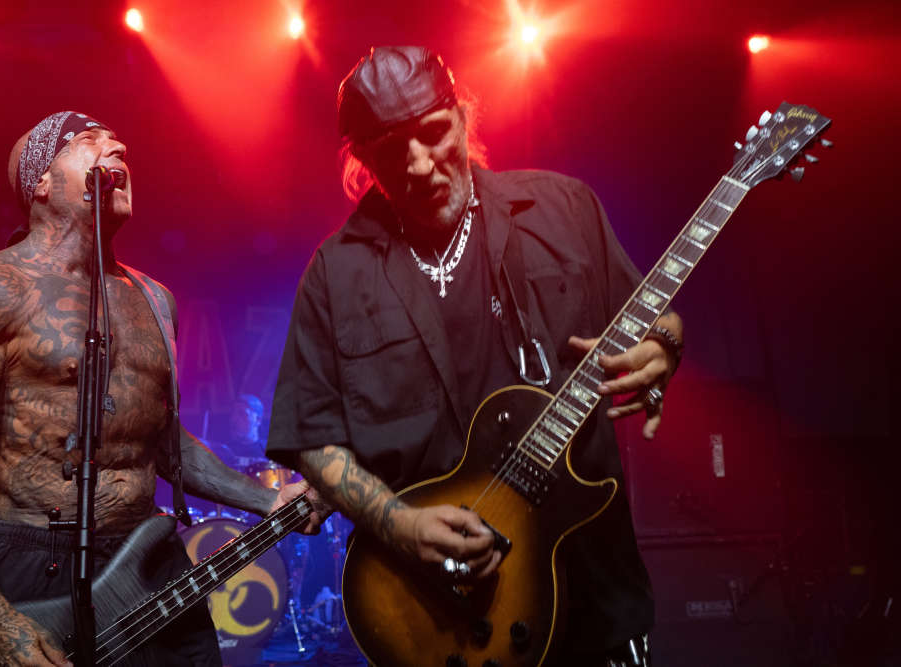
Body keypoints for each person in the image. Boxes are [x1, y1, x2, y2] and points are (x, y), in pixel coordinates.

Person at [266, 47, 684, 665]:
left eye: (434, 133)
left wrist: (665, 346)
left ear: (464, 117)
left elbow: (653, 318)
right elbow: (313, 439)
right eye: (390, 152)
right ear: (364, 162)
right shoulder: (336, 272)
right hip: (437, 614)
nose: (419, 166)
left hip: (594, 593)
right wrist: (399, 526)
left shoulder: (564, 209)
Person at [0, 111, 323, 667]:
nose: (117, 146)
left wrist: (268, 499)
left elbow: (163, 442)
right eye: (89, 141)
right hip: (36, 561)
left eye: (118, 141)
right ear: (40, 182)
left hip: (149, 558)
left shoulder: (155, 300)